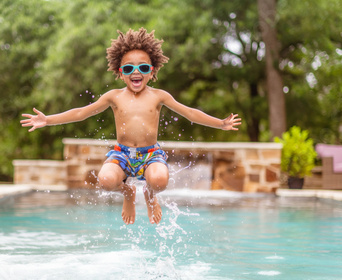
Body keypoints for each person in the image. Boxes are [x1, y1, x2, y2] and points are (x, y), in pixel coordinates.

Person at [21, 28, 241, 225]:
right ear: (120, 72)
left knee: (160, 181)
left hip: (151, 154)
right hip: (122, 154)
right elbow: (81, 113)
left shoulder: (159, 96)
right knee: (105, 181)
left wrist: (220, 124)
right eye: (129, 68)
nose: (136, 72)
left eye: (143, 67)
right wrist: (48, 119)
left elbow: (190, 113)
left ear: (152, 71)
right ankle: (127, 192)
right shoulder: (114, 97)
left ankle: (150, 195)